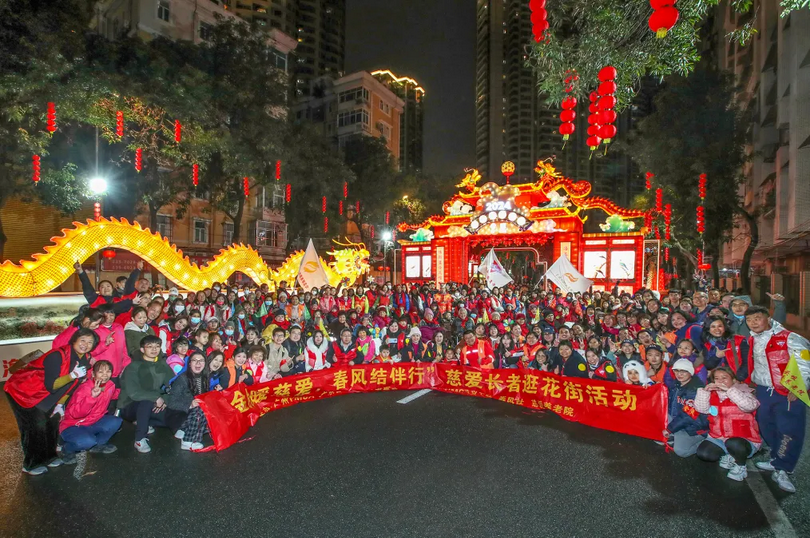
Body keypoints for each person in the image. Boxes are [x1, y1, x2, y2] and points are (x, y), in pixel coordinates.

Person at [4, 328, 96, 475]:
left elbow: (73, 386)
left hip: (46, 396)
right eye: (82, 340)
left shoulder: (84, 359)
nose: (85, 344)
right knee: (34, 427)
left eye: (90, 342)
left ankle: (49, 457)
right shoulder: (56, 356)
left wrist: (60, 404)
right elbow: (52, 385)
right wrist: (72, 375)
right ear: (74, 340)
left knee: (52, 423)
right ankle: (31, 464)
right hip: (24, 392)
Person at [744, 305, 810, 493]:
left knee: (789, 429)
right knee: (766, 425)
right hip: (764, 390)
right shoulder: (752, 339)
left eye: (757, 318)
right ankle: (776, 457)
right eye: (749, 320)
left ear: (768, 318)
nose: (753, 323)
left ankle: (783, 467)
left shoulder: (789, 337)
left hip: (786, 391)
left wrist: (799, 387)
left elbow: (805, 361)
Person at [694, 367, 761, 481]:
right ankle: (730, 455)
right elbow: (701, 409)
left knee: (733, 443)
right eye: (717, 378)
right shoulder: (712, 394)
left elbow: (750, 406)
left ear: (733, 380)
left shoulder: (744, 391)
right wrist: (704, 391)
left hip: (744, 438)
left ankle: (741, 466)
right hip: (719, 437)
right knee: (704, 453)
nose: (720, 381)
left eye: (725, 378)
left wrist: (729, 391)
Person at [117, 335, 174, 454]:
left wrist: (165, 398)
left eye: (157, 346)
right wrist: (156, 397)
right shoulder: (133, 367)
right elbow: (133, 393)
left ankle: (148, 421)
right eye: (150, 346)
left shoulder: (162, 365)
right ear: (142, 349)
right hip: (129, 405)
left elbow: (173, 384)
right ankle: (139, 439)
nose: (154, 349)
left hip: (154, 402)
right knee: (146, 401)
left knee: (172, 415)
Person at [59, 360, 123, 462]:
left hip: (93, 421)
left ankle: (97, 445)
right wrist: (92, 397)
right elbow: (75, 414)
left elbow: (114, 394)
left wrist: (129, 391)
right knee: (87, 441)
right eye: (101, 372)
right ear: (93, 374)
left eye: (108, 372)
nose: (105, 375)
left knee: (116, 421)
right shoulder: (85, 388)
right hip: (74, 425)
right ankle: (67, 449)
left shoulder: (110, 385)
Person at [665, 358, 709, 458]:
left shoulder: (696, 390)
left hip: (692, 427)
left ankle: (703, 440)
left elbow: (688, 415)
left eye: (683, 371)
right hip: (677, 421)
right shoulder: (675, 384)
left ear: (690, 372)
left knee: (681, 451)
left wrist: (669, 429)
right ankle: (674, 435)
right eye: (676, 370)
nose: (679, 374)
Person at [167, 351, 210, 451]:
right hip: (178, 415)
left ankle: (184, 430)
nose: (198, 363)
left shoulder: (205, 377)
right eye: (195, 360)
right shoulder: (182, 378)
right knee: (199, 410)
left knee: (206, 408)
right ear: (189, 363)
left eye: (201, 361)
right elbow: (171, 402)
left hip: (191, 413)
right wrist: (189, 404)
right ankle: (188, 440)